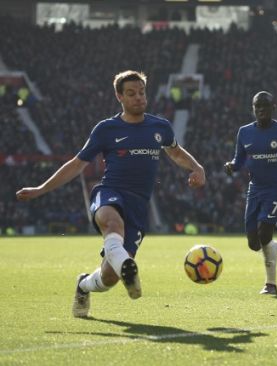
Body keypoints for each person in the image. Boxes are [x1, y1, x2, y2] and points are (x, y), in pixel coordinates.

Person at [16, 70, 206, 318]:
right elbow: (76, 164)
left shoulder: (160, 127)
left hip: (138, 207)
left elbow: (176, 152)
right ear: (119, 97)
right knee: (111, 221)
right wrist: (41, 189)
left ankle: (84, 284)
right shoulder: (106, 129)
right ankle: (127, 265)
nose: (138, 97)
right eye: (131, 93)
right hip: (109, 192)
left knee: (108, 278)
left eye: (141, 92)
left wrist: (197, 167)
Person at [224, 91, 277, 295]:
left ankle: (270, 284)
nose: (261, 110)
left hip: (276, 190)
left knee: (264, 234)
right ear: (253, 109)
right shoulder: (244, 132)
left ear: (274, 108)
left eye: (265, 106)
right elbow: (240, 159)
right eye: (257, 106)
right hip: (255, 189)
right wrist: (232, 166)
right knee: (254, 243)